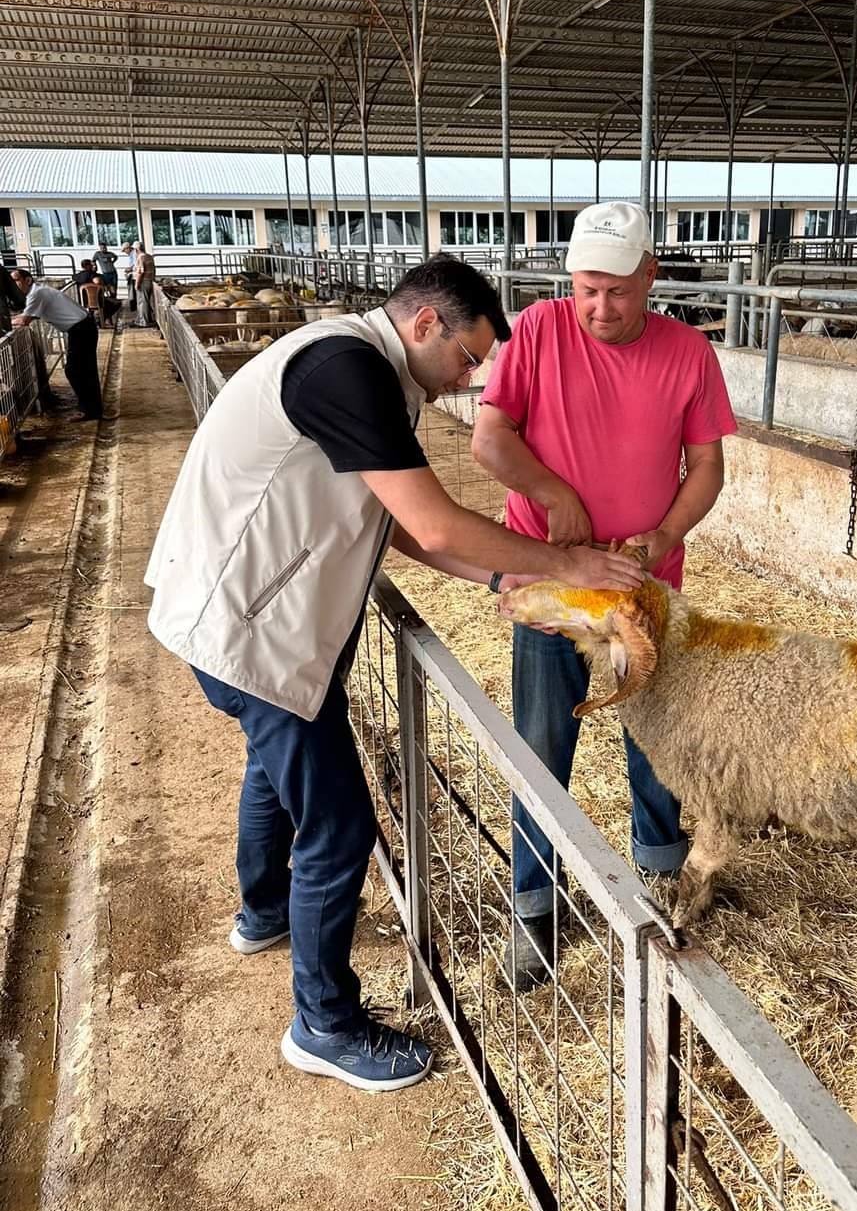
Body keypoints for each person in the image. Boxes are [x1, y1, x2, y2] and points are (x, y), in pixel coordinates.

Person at [145, 255, 642, 1095]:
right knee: (338, 829)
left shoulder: (365, 372)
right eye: (469, 356)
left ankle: (262, 915)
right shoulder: (346, 368)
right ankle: (324, 1024)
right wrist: (568, 565)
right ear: (424, 325)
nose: (472, 377)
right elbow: (434, 522)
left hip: (244, 622)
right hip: (252, 632)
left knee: (273, 775)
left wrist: (501, 577)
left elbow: (397, 517)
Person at [472, 201, 738, 991]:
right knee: (543, 742)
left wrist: (659, 539)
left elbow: (708, 470)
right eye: (586, 288)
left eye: (617, 291)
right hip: (555, 585)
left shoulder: (689, 353)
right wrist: (554, 495)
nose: (599, 307)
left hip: (643, 587)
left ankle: (659, 879)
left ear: (651, 276)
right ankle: (534, 906)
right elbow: (490, 439)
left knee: (654, 737)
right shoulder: (537, 330)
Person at [9, 268, 103, 421]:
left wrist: (6, 321)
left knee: (75, 370)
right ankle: (91, 409)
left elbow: (24, 320)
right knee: (84, 370)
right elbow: (25, 316)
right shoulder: (38, 291)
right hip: (83, 327)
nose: (13, 285)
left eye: (16, 280)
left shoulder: (36, 294)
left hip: (81, 330)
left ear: (27, 280)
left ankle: (89, 410)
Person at [133, 242, 156, 327]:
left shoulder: (140, 258)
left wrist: (137, 283)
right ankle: (148, 319)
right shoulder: (149, 256)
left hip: (143, 281)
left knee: (142, 302)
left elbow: (140, 272)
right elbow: (154, 269)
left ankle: (143, 321)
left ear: (136, 249)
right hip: (150, 280)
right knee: (146, 300)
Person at [120, 242, 136, 309]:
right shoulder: (131, 255)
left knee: (132, 292)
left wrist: (128, 270)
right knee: (131, 292)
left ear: (128, 248)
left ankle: (133, 307)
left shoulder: (134, 254)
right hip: (131, 274)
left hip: (134, 275)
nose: (125, 252)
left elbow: (135, 265)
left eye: (125, 250)